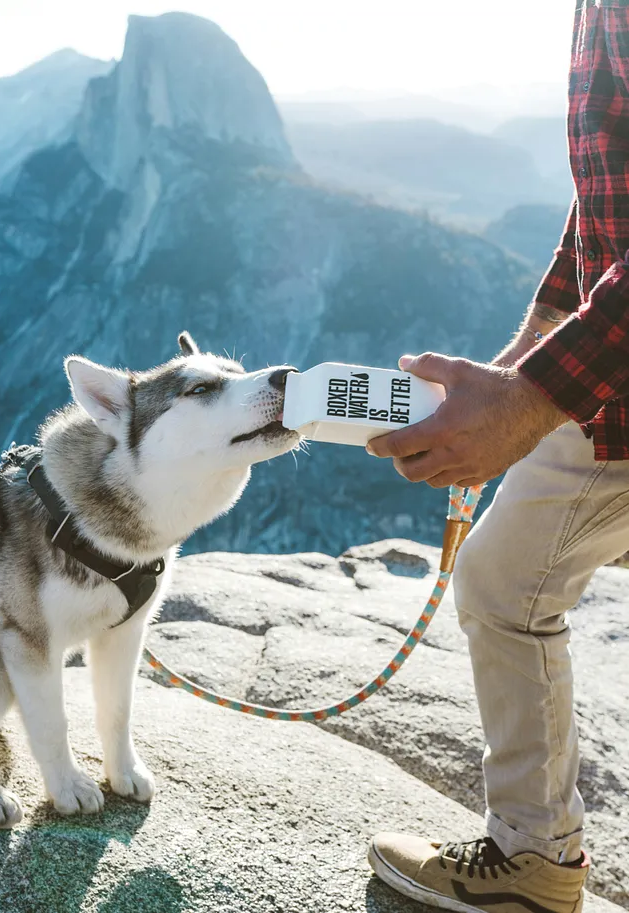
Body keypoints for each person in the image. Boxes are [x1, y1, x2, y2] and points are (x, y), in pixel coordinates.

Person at [364, 3, 629, 912]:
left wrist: (525, 401)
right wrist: (521, 365)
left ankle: (535, 856)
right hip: (608, 357)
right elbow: (607, 202)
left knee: (504, 583)